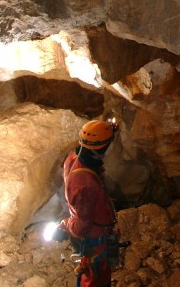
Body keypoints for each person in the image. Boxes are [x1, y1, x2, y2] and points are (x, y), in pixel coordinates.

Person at [58, 119, 119, 287]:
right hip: (95, 239)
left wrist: (110, 128)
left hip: (92, 235)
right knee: (94, 281)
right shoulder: (87, 185)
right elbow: (82, 226)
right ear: (103, 148)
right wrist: (65, 224)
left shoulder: (72, 159)